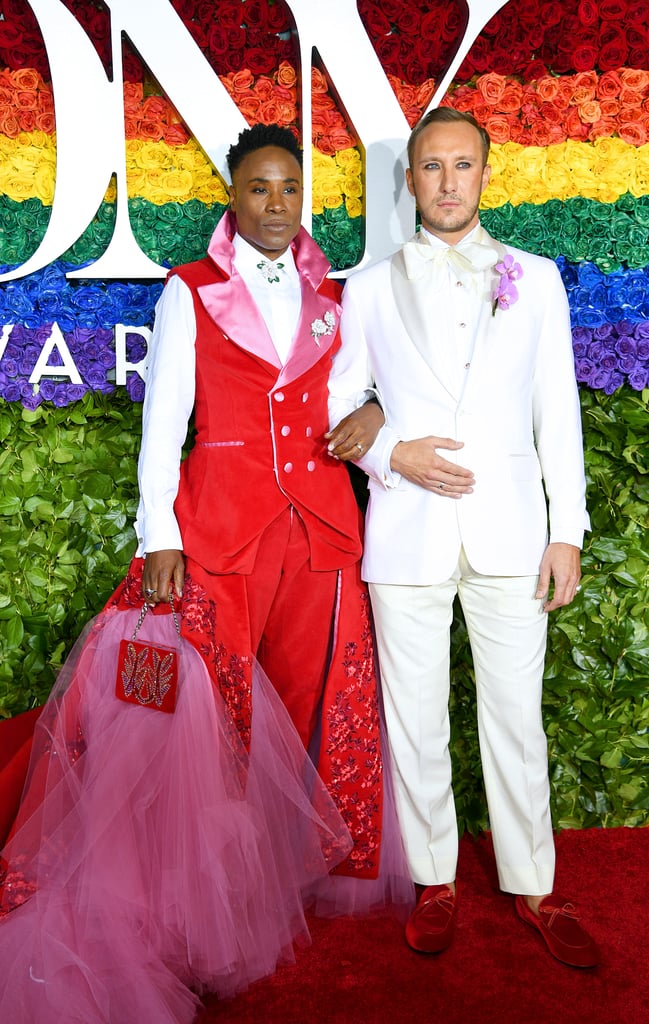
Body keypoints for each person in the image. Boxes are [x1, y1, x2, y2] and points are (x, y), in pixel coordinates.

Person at [0, 123, 409, 1024]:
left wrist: (370, 407)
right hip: (217, 528)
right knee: (208, 722)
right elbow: (165, 421)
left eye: (289, 190)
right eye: (258, 188)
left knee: (311, 705)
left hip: (322, 531)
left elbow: (345, 392)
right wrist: (159, 535)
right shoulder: (190, 292)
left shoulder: (332, 295)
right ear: (232, 195)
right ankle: (202, 901)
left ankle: (291, 874)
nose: (275, 204)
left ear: (306, 198)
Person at [327, 107, 599, 968]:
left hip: (513, 533)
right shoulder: (366, 286)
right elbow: (338, 409)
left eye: (462, 166)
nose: (447, 182)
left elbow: (558, 411)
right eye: (430, 167)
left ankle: (533, 887)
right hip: (405, 533)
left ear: (486, 175)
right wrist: (393, 454)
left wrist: (567, 530)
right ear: (408, 180)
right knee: (414, 720)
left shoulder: (537, 279)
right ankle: (436, 880)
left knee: (516, 721)